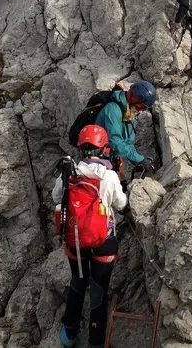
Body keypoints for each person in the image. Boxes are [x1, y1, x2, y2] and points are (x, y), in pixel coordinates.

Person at [53, 124, 127, 348]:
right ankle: (96, 341)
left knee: (78, 281)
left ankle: (70, 332)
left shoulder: (69, 170)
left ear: (81, 147)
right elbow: (121, 204)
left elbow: (56, 197)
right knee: (99, 289)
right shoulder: (109, 175)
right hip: (103, 239)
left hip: (74, 239)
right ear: (103, 147)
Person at [96, 80, 158, 174]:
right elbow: (115, 141)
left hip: (110, 162)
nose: (140, 111)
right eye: (140, 107)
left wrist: (138, 161)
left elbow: (128, 143)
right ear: (134, 98)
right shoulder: (113, 109)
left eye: (144, 108)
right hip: (97, 162)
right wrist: (139, 160)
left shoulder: (128, 114)